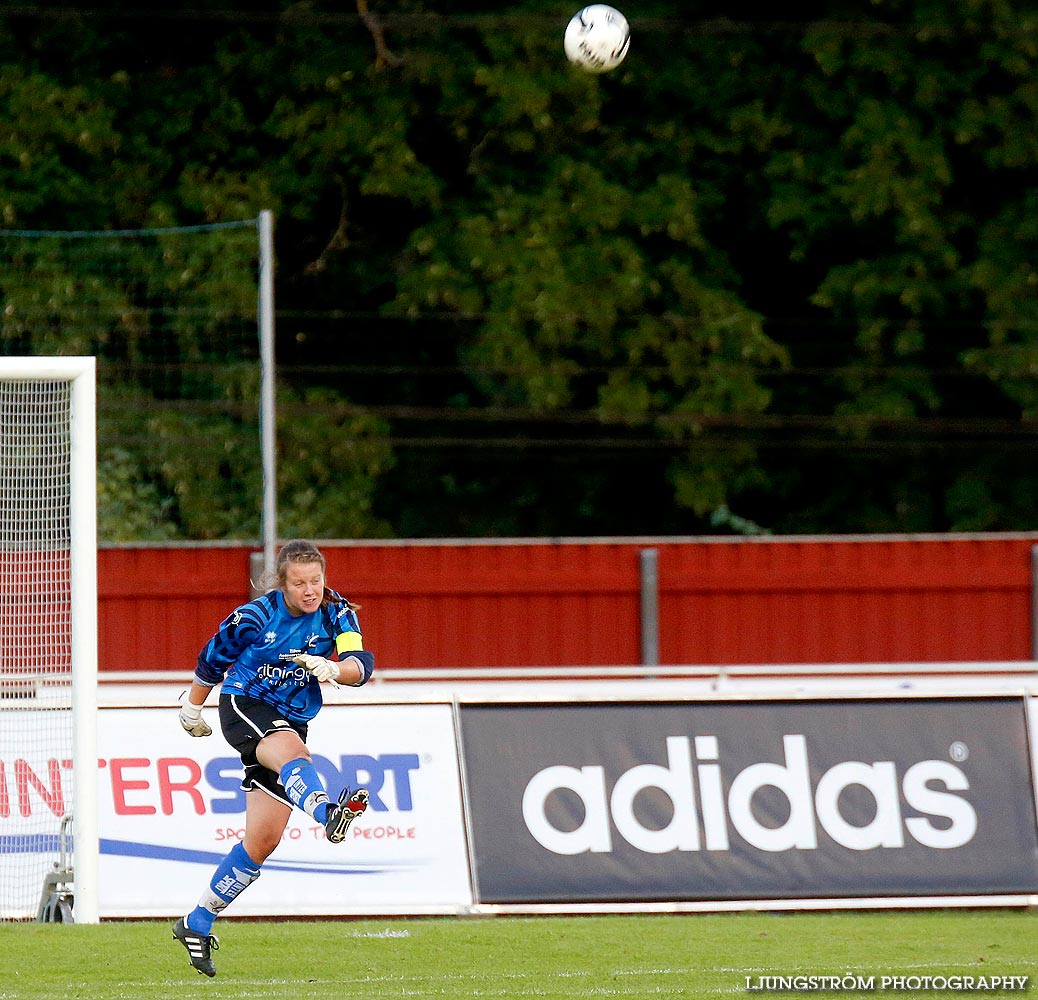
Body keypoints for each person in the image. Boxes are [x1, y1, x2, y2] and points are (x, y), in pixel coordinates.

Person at [171, 539, 375, 977]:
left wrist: (334, 669)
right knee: (293, 752)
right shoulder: (254, 617)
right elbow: (211, 660)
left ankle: (197, 921)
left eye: (316, 581)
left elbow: (361, 664)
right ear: (282, 583)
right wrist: (192, 708)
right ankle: (327, 813)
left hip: (290, 715)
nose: (310, 591)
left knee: (262, 841)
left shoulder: (338, 614)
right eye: (299, 583)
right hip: (245, 705)